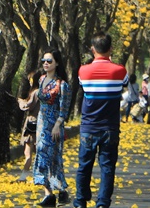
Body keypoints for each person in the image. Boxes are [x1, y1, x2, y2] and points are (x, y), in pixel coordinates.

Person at [75, 33, 128, 208]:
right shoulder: (120, 70)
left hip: (89, 126)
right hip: (110, 127)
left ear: (92, 49)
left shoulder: (83, 70)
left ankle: (81, 200)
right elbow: (124, 85)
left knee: (84, 165)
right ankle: (103, 203)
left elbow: (83, 87)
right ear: (110, 49)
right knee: (107, 167)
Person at [33, 50, 71, 207]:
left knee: (54, 158)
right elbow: (38, 100)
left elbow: (64, 108)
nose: (46, 63)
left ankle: (62, 190)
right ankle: (48, 194)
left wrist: (57, 125)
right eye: (44, 60)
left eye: (49, 61)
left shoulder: (62, 85)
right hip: (41, 124)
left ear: (57, 63)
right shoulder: (41, 79)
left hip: (54, 126)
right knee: (41, 155)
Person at [18, 69, 43, 180]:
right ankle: (39, 175)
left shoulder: (35, 92)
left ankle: (24, 177)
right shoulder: (42, 91)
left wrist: (20, 102)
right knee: (39, 153)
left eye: (30, 80)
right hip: (40, 124)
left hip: (32, 124)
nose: (29, 82)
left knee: (28, 153)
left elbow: (28, 106)